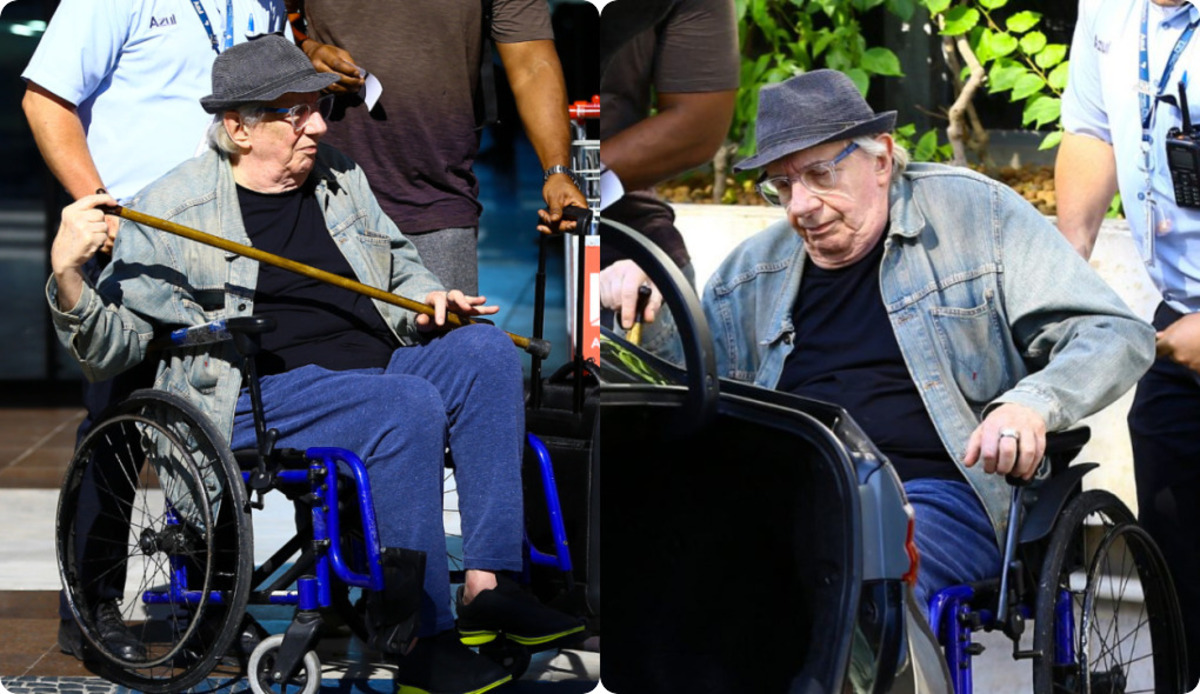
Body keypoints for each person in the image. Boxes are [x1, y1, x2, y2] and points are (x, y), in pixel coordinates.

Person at [47, 35, 582, 694]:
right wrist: (69, 274)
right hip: (258, 395)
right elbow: (110, 347)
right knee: (401, 406)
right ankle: (419, 639)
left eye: (318, 107)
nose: (320, 125)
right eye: (297, 112)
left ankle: (487, 586)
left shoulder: (340, 177)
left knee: (484, 351)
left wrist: (425, 301)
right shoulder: (171, 211)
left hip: (374, 372)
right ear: (239, 127)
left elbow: (399, 265)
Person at [655, 70, 1156, 615]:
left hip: (940, 499)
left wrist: (1032, 404)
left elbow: (1115, 332)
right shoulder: (748, 276)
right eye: (781, 185)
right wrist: (645, 304)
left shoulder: (974, 218)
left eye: (820, 174)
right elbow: (685, 408)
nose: (800, 205)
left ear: (881, 159)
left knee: (851, 571)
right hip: (788, 498)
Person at [20, 0, 285, 661]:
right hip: (136, 245)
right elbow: (43, 99)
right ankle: (92, 606)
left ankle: (209, 612)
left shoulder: (270, 4)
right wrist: (103, 208)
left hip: (229, 246)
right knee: (118, 429)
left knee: (213, 427)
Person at [1057, 0, 1200, 686]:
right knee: (1164, 444)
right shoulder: (1111, 9)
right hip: (1183, 306)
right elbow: (1091, 129)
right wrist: (1064, 260)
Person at [281, 0, 586, 295]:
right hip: (316, 195)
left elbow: (532, 63)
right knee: (322, 342)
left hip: (438, 203)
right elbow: (270, 18)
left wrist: (556, 171)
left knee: (445, 343)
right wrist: (304, 50)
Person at [598, 0, 739, 332]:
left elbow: (699, 123)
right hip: (475, 215)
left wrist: (567, 183)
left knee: (649, 287)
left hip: (620, 233)